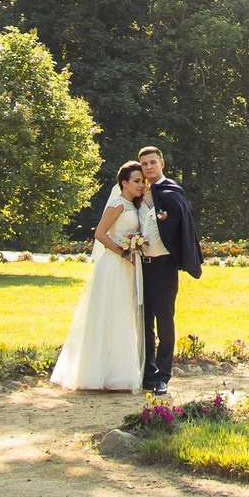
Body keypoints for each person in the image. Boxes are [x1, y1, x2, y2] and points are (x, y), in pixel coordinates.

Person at [49, 159, 154, 393]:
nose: (141, 185)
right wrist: (121, 251)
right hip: (113, 266)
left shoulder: (135, 206)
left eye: (143, 181)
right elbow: (100, 233)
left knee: (122, 315)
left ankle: (119, 372)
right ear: (124, 183)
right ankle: (97, 372)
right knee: (109, 313)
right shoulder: (117, 205)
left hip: (127, 267)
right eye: (136, 181)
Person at [136, 146, 203, 393]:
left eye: (153, 162)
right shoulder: (138, 194)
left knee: (165, 319)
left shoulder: (171, 191)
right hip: (141, 267)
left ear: (162, 163)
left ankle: (163, 374)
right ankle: (147, 371)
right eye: (144, 163)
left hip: (164, 267)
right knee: (144, 322)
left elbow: (183, 220)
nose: (149, 167)